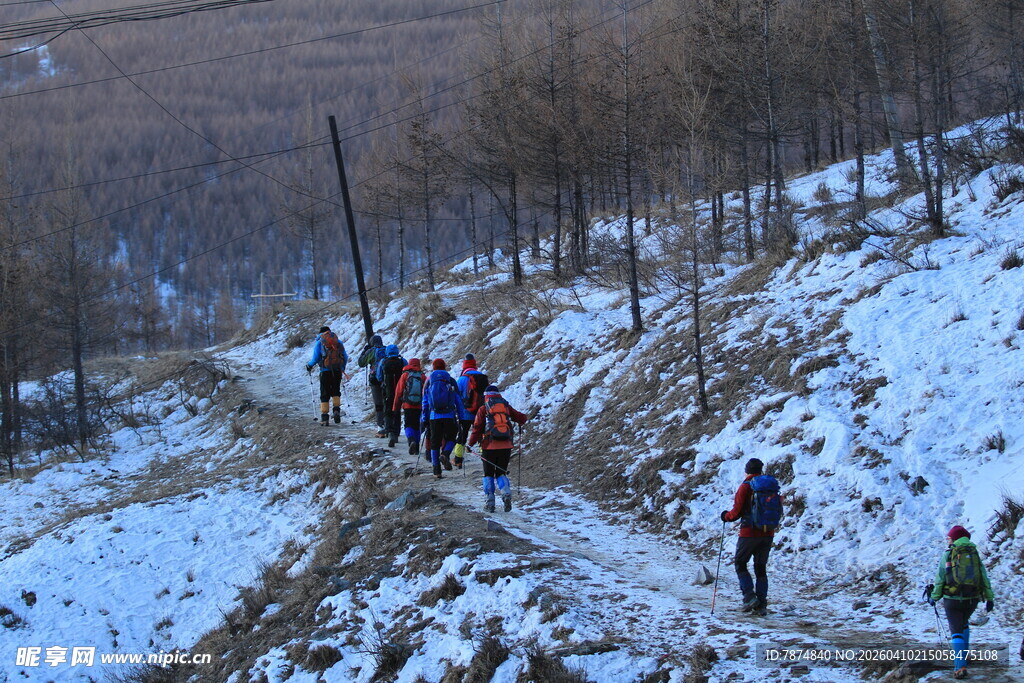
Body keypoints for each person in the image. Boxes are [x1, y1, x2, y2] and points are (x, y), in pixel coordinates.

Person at [927, 526, 995, 679]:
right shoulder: (974, 553)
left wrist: (934, 597)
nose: (948, 540)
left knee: (956, 630)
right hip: (972, 599)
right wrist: (989, 598)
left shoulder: (949, 554)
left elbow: (940, 579)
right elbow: (984, 577)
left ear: (955, 538)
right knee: (964, 624)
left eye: (949, 538)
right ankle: (964, 657)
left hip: (953, 600)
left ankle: (960, 666)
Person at [720, 458, 783, 615]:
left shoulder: (746, 486)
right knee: (760, 567)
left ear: (747, 470)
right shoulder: (770, 487)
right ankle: (761, 603)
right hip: (767, 532)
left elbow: (737, 512)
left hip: (749, 533)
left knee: (740, 564)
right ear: (761, 470)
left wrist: (725, 516)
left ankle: (749, 597)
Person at [468, 385, 528, 513]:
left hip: (488, 446)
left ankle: (490, 501)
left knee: (488, 473)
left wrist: (470, 444)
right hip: (505, 445)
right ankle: (506, 494)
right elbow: (522, 418)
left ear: (486, 396)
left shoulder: (484, 409)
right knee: (501, 472)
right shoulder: (505, 407)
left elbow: (477, 428)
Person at [420, 359, 465, 479]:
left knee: (435, 443)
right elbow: (458, 401)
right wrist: (461, 417)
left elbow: (425, 402)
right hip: (449, 415)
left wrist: (424, 418)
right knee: (451, 438)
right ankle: (445, 454)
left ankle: (436, 471)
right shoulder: (450, 381)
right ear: (445, 367)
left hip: (434, 416)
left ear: (433, 367)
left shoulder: (429, 382)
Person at [304, 326, 348, 425]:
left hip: (325, 371)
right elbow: (345, 356)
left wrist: (309, 366)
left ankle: (325, 418)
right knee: (336, 390)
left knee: (325, 393)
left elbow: (315, 358)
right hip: (337, 371)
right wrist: (342, 368)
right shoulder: (338, 342)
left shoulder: (320, 342)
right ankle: (336, 410)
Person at [454, 353, 488, 469]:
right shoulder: (482, 378)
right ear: (475, 365)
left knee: (462, 435)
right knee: (481, 433)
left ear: (464, 367)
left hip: (465, 413)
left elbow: (456, 396)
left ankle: (458, 459)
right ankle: (486, 456)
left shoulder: (462, 379)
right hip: (480, 413)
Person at [377, 344, 407, 448]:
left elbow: (379, 376)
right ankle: (396, 432)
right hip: (399, 392)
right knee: (397, 410)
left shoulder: (383, 362)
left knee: (388, 410)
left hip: (387, 391)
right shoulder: (402, 361)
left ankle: (389, 432)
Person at [393, 358, 424, 455]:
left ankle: (411, 441)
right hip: (419, 406)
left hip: (407, 405)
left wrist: (395, 407)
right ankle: (417, 447)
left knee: (408, 425)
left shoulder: (405, 375)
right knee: (416, 426)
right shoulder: (422, 376)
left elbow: (398, 392)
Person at [357, 334, 387, 437]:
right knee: (387, 402)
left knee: (379, 404)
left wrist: (365, 351)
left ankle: (381, 428)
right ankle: (390, 427)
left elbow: (361, 362)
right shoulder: (387, 349)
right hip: (387, 379)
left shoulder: (372, 351)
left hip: (374, 380)